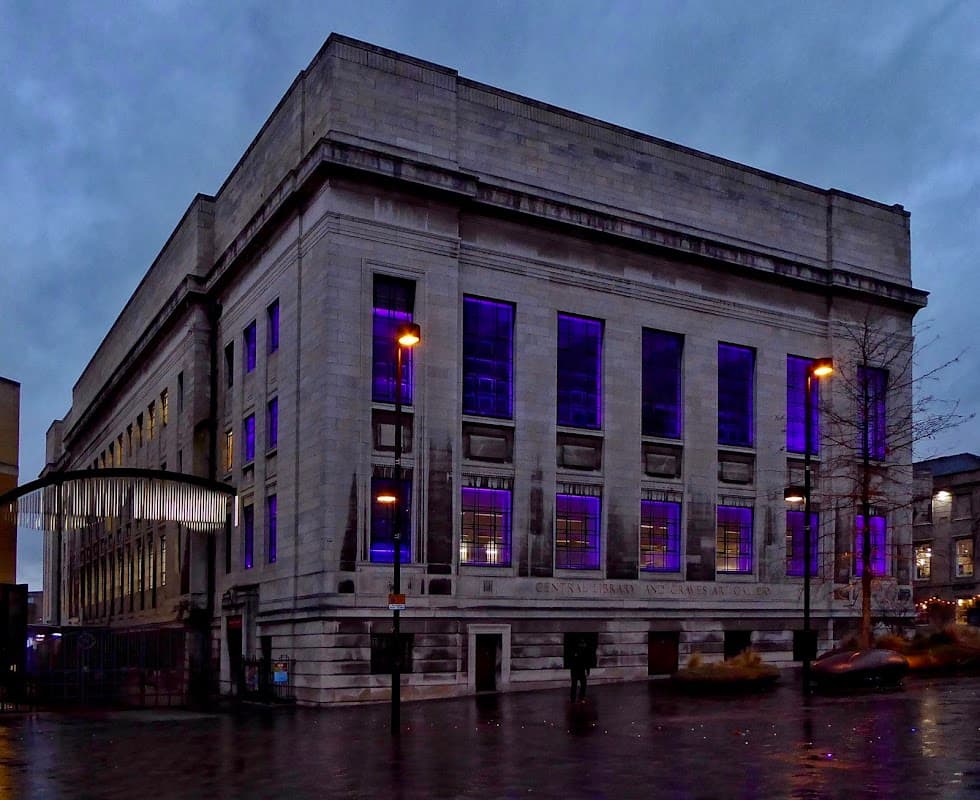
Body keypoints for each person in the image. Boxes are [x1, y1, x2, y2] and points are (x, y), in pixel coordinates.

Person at [569, 638, 590, 703]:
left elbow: (587, 662)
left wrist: (587, 670)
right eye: (583, 644)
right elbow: (572, 660)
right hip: (575, 670)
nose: (584, 645)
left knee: (583, 685)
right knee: (575, 685)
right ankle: (574, 698)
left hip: (580, 670)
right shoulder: (575, 650)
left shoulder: (585, 651)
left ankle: (580, 698)